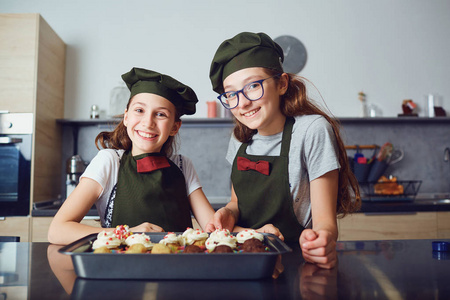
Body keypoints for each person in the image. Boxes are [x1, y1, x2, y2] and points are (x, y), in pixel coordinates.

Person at [206, 32, 361, 269]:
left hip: (297, 261)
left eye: (253, 86)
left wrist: (322, 242)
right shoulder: (239, 138)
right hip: (246, 258)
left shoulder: (311, 130)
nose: (243, 103)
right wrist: (228, 212)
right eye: (231, 94)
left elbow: (325, 223)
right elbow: (237, 203)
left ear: (282, 84)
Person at [48, 67, 217, 245]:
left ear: (175, 127)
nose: (148, 122)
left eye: (160, 114)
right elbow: (58, 230)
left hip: (179, 269)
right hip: (122, 269)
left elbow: (213, 228)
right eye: (139, 110)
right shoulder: (110, 162)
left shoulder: (183, 166)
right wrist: (126, 234)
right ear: (126, 117)